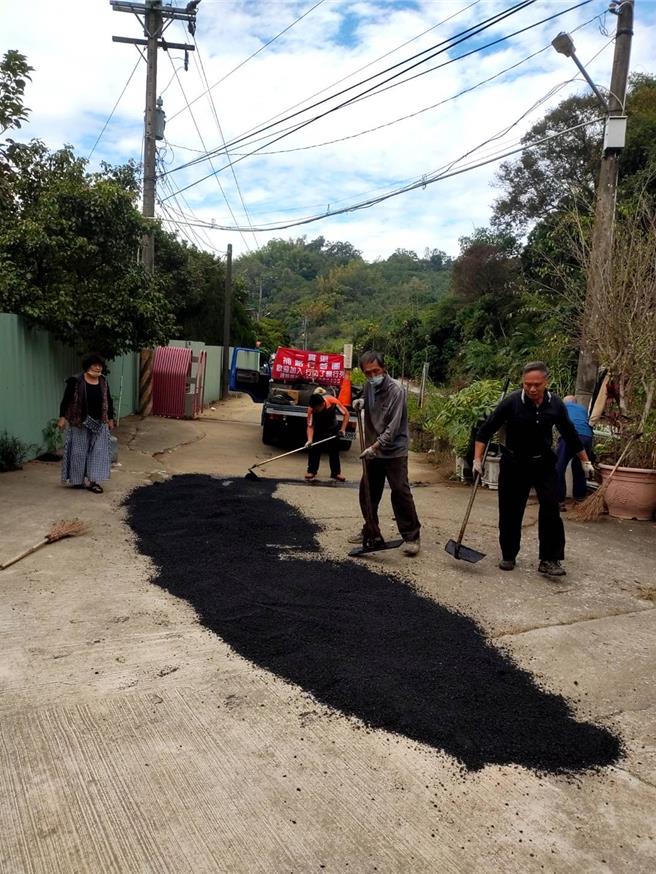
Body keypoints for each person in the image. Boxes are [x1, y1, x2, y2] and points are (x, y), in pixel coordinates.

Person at [473, 362, 594, 577]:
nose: (532, 389)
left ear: (546, 382)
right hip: (514, 462)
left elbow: (570, 434)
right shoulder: (511, 402)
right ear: (522, 382)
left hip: (543, 462)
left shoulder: (555, 404)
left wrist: (585, 461)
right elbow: (485, 430)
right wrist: (477, 459)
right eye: (527, 384)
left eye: (537, 384)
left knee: (550, 506)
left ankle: (550, 559)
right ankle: (509, 554)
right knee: (511, 510)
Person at [350, 351, 421, 556]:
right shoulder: (368, 386)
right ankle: (371, 529)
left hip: (394, 449)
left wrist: (376, 447)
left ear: (384, 369)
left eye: (376, 371)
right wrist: (360, 401)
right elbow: (365, 398)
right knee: (368, 492)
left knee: (400, 491)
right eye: (368, 373)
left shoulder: (397, 390)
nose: (373, 376)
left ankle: (412, 536)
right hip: (373, 447)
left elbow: (393, 427)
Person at [58, 354, 115, 494]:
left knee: (98, 452)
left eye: (100, 365)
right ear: (88, 366)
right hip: (80, 422)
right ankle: (77, 481)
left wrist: (110, 419)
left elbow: (108, 400)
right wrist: (62, 417)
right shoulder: (76, 381)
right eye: (95, 364)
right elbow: (66, 400)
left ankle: (93, 482)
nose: (98, 367)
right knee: (78, 452)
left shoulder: (103, 381)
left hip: (99, 422)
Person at [556, 395, 595, 507]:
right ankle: (580, 499)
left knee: (559, 467)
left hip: (570, 435)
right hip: (587, 437)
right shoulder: (582, 409)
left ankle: (559, 501)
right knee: (579, 467)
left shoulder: (561, 407)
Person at [305, 392, 349, 482]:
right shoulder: (311, 409)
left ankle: (336, 473)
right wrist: (309, 440)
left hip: (333, 428)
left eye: (317, 410)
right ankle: (312, 471)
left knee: (334, 451)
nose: (315, 411)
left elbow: (346, 414)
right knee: (314, 449)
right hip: (319, 429)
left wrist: (343, 429)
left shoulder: (333, 402)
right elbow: (310, 426)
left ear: (322, 405)